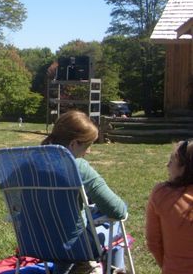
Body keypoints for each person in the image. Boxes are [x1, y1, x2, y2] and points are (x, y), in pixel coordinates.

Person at [41, 110, 127, 274]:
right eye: (88, 146)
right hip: (72, 246)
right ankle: (111, 270)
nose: (89, 151)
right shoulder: (77, 167)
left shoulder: (27, 164)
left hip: (34, 241)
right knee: (116, 224)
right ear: (74, 144)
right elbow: (117, 210)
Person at [146, 139, 193, 273]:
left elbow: (153, 242)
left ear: (184, 168)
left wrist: (169, 266)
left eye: (172, 161)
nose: (167, 165)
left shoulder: (161, 194)